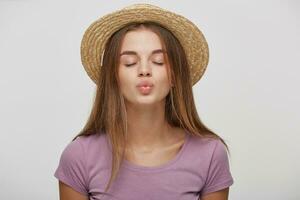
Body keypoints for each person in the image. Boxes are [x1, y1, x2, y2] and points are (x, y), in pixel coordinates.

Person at [54, 3, 234, 200]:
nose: (144, 70)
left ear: (174, 76)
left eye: (158, 61)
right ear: (113, 77)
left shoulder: (210, 154)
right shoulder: (79, 157)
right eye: (130, 62)